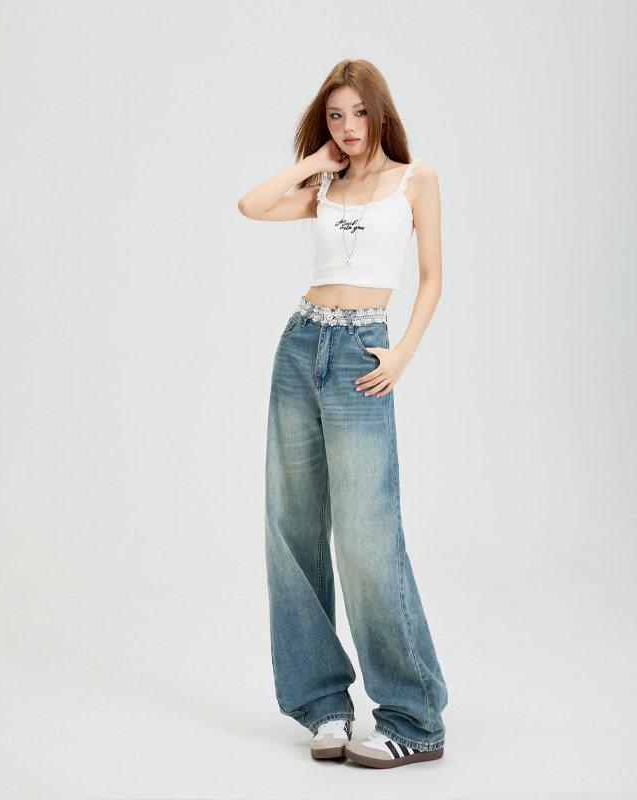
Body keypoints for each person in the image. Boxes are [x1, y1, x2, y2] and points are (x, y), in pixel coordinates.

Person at [237, 59, 448, 769]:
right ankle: (323, 704)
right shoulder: (324, 188)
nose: (348, 126)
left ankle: (414, 716)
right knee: (291, 524)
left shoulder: (416, 179)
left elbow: (432, 276)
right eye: (335, 115)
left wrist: (403, 352)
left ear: (380, 112)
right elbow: (251, 205)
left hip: (362, 353)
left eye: (358, 112)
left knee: (367, 536)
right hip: (301, 344)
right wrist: (313, 162)